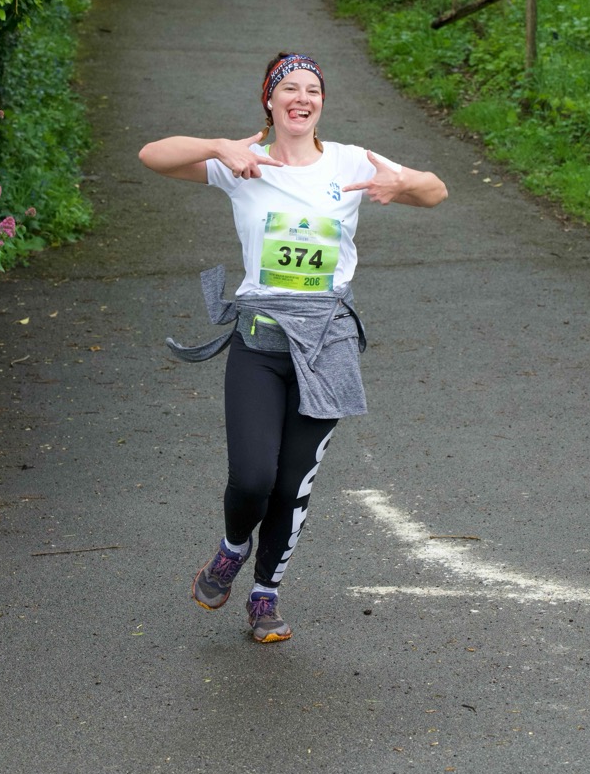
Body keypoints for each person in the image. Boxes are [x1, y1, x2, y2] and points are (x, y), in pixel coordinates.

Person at [139, 51, 448, 643]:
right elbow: (152, 155)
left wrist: (404, 181)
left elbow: (436, 192)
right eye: (290, 88)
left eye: (313, 89)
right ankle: (232, 548)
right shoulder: (242, 161)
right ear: (270, 99)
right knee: (254, 477)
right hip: (260, 339)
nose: (302, 98)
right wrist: (217, 146)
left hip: (328, 342)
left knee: (292, 485)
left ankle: (265, 595)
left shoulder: (352, 161)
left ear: (321, 103)